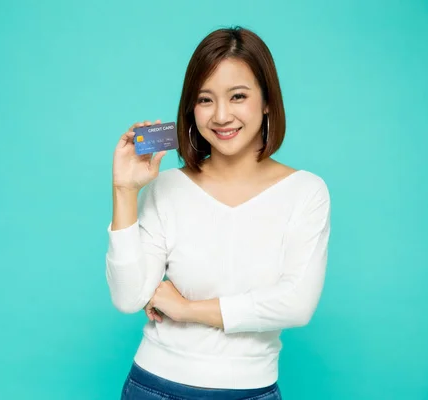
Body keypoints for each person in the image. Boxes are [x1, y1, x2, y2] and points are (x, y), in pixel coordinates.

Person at [106, 26, 331, 400]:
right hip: (153, 387)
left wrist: (187, 309)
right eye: (205, 100)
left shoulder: (306, 192)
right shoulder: (167, 188)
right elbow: (129, 297)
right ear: (191, 109)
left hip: (250, 390)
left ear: (267, 101)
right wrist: (125, 191)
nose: (221, 116)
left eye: (238, 96)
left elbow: (297, 304)